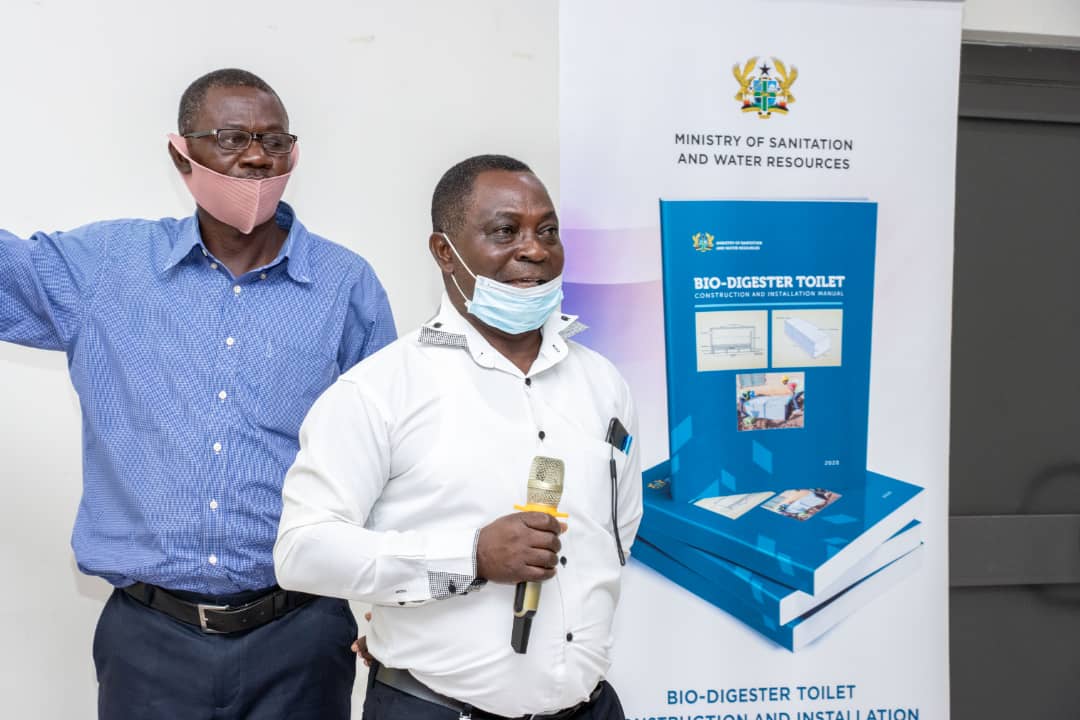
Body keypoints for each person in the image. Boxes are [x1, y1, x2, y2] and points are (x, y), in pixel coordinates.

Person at [0, 68, 396, 719]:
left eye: (274, 141)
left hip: (301, 636)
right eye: (232, 138)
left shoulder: (346, 285)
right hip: (149, 642)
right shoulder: (106, 268)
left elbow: (390, 459)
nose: (257, 157)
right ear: (181, 155)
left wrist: (396, 613)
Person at [274, 154, 642, 719]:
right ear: (444, 252)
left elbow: (617, 533)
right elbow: (303, 551)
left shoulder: (604, 384)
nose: (534, 249)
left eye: (547, 231)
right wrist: (469, 556)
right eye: (505, 231)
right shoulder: (380, 390)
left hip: (590, 707)